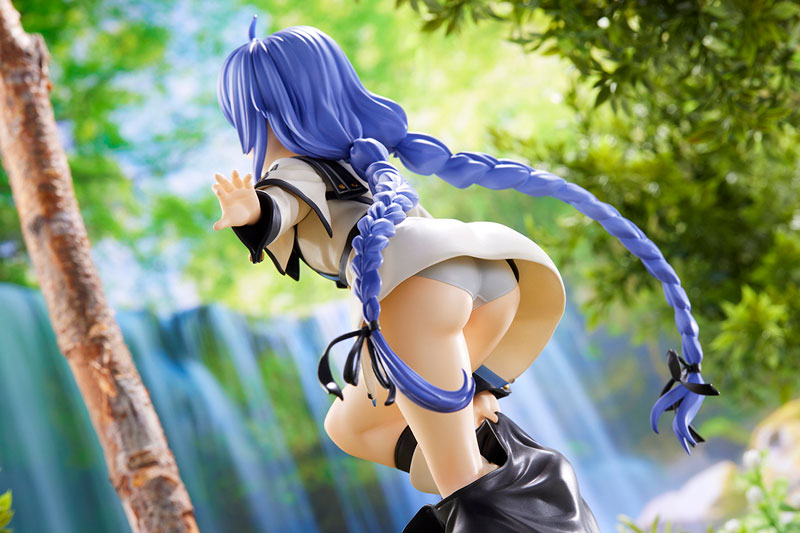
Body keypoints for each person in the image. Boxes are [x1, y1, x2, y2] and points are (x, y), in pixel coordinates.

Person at [212, 17, 718, 532]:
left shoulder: (293, 169)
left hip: (416, 293)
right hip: (488, 279)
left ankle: (505, 501)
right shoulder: (366, 163)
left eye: (244, 120)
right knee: (351, 425)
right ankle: (504, 467)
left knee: (459, 483)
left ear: (264, 114)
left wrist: (250, 212)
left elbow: (282, 205)